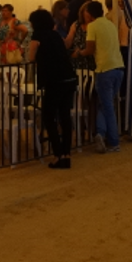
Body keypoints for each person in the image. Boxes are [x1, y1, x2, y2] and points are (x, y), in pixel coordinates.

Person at [28, 9, 77, 169]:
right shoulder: (55, 35)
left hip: (54, 80)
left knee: (49, 117)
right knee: (64, 116)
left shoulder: (37, 37)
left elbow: (31, 57)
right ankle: (67, 154)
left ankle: (57, 154)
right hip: (68, 78)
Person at [79, 1, 123, 154]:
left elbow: (90, 49)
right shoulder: (110, 24)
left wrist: (79, 52)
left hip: (104, 69)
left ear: (89, 14)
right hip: (118, 67)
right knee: (106, 105)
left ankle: (113, 141)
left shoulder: (92, 26)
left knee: (107, 107)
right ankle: (100, 133)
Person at [66, 2, 93, 71]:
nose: (89, 14)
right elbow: (68, 42)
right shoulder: (76, 25)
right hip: (78, 61)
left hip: (93, 60)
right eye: (87, 11)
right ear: (82, 12)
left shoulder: (96, 25)